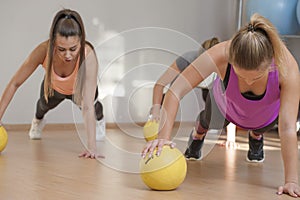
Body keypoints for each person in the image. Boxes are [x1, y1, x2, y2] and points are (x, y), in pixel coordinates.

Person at [142, 13, 300, 197]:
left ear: (270, 65)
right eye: (241, 76)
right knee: (211, 120)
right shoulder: (221, 53)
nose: (248, 82)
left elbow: (288, 127)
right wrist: (163, 137)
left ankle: (256, 137)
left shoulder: (286, 67)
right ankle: (198, 135)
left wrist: (291, 181)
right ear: (231, 60)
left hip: (264, 115)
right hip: (224, 106)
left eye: (256, 77)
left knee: (261, 127)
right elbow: (175, 90)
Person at [0, 9, 105, 159]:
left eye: (73, 49)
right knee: (42, 106)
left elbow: (87, 105)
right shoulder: (43, 50)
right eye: (61, 49)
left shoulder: (88, 55)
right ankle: (37, 121)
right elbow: (15, 83)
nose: (67, 55)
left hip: (80, 90)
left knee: (94, 106)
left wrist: (92, 147)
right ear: (53, 42)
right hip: (55, 88)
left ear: (81, 41)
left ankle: (100, 121)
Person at [149, 37, 219, 122]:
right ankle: (154, 118)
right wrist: (156, 110)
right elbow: (160, 84)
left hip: (212, 86)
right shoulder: (186, 60)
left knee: (212, 102)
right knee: (170, 96)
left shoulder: (224, 65)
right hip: (188, 79)